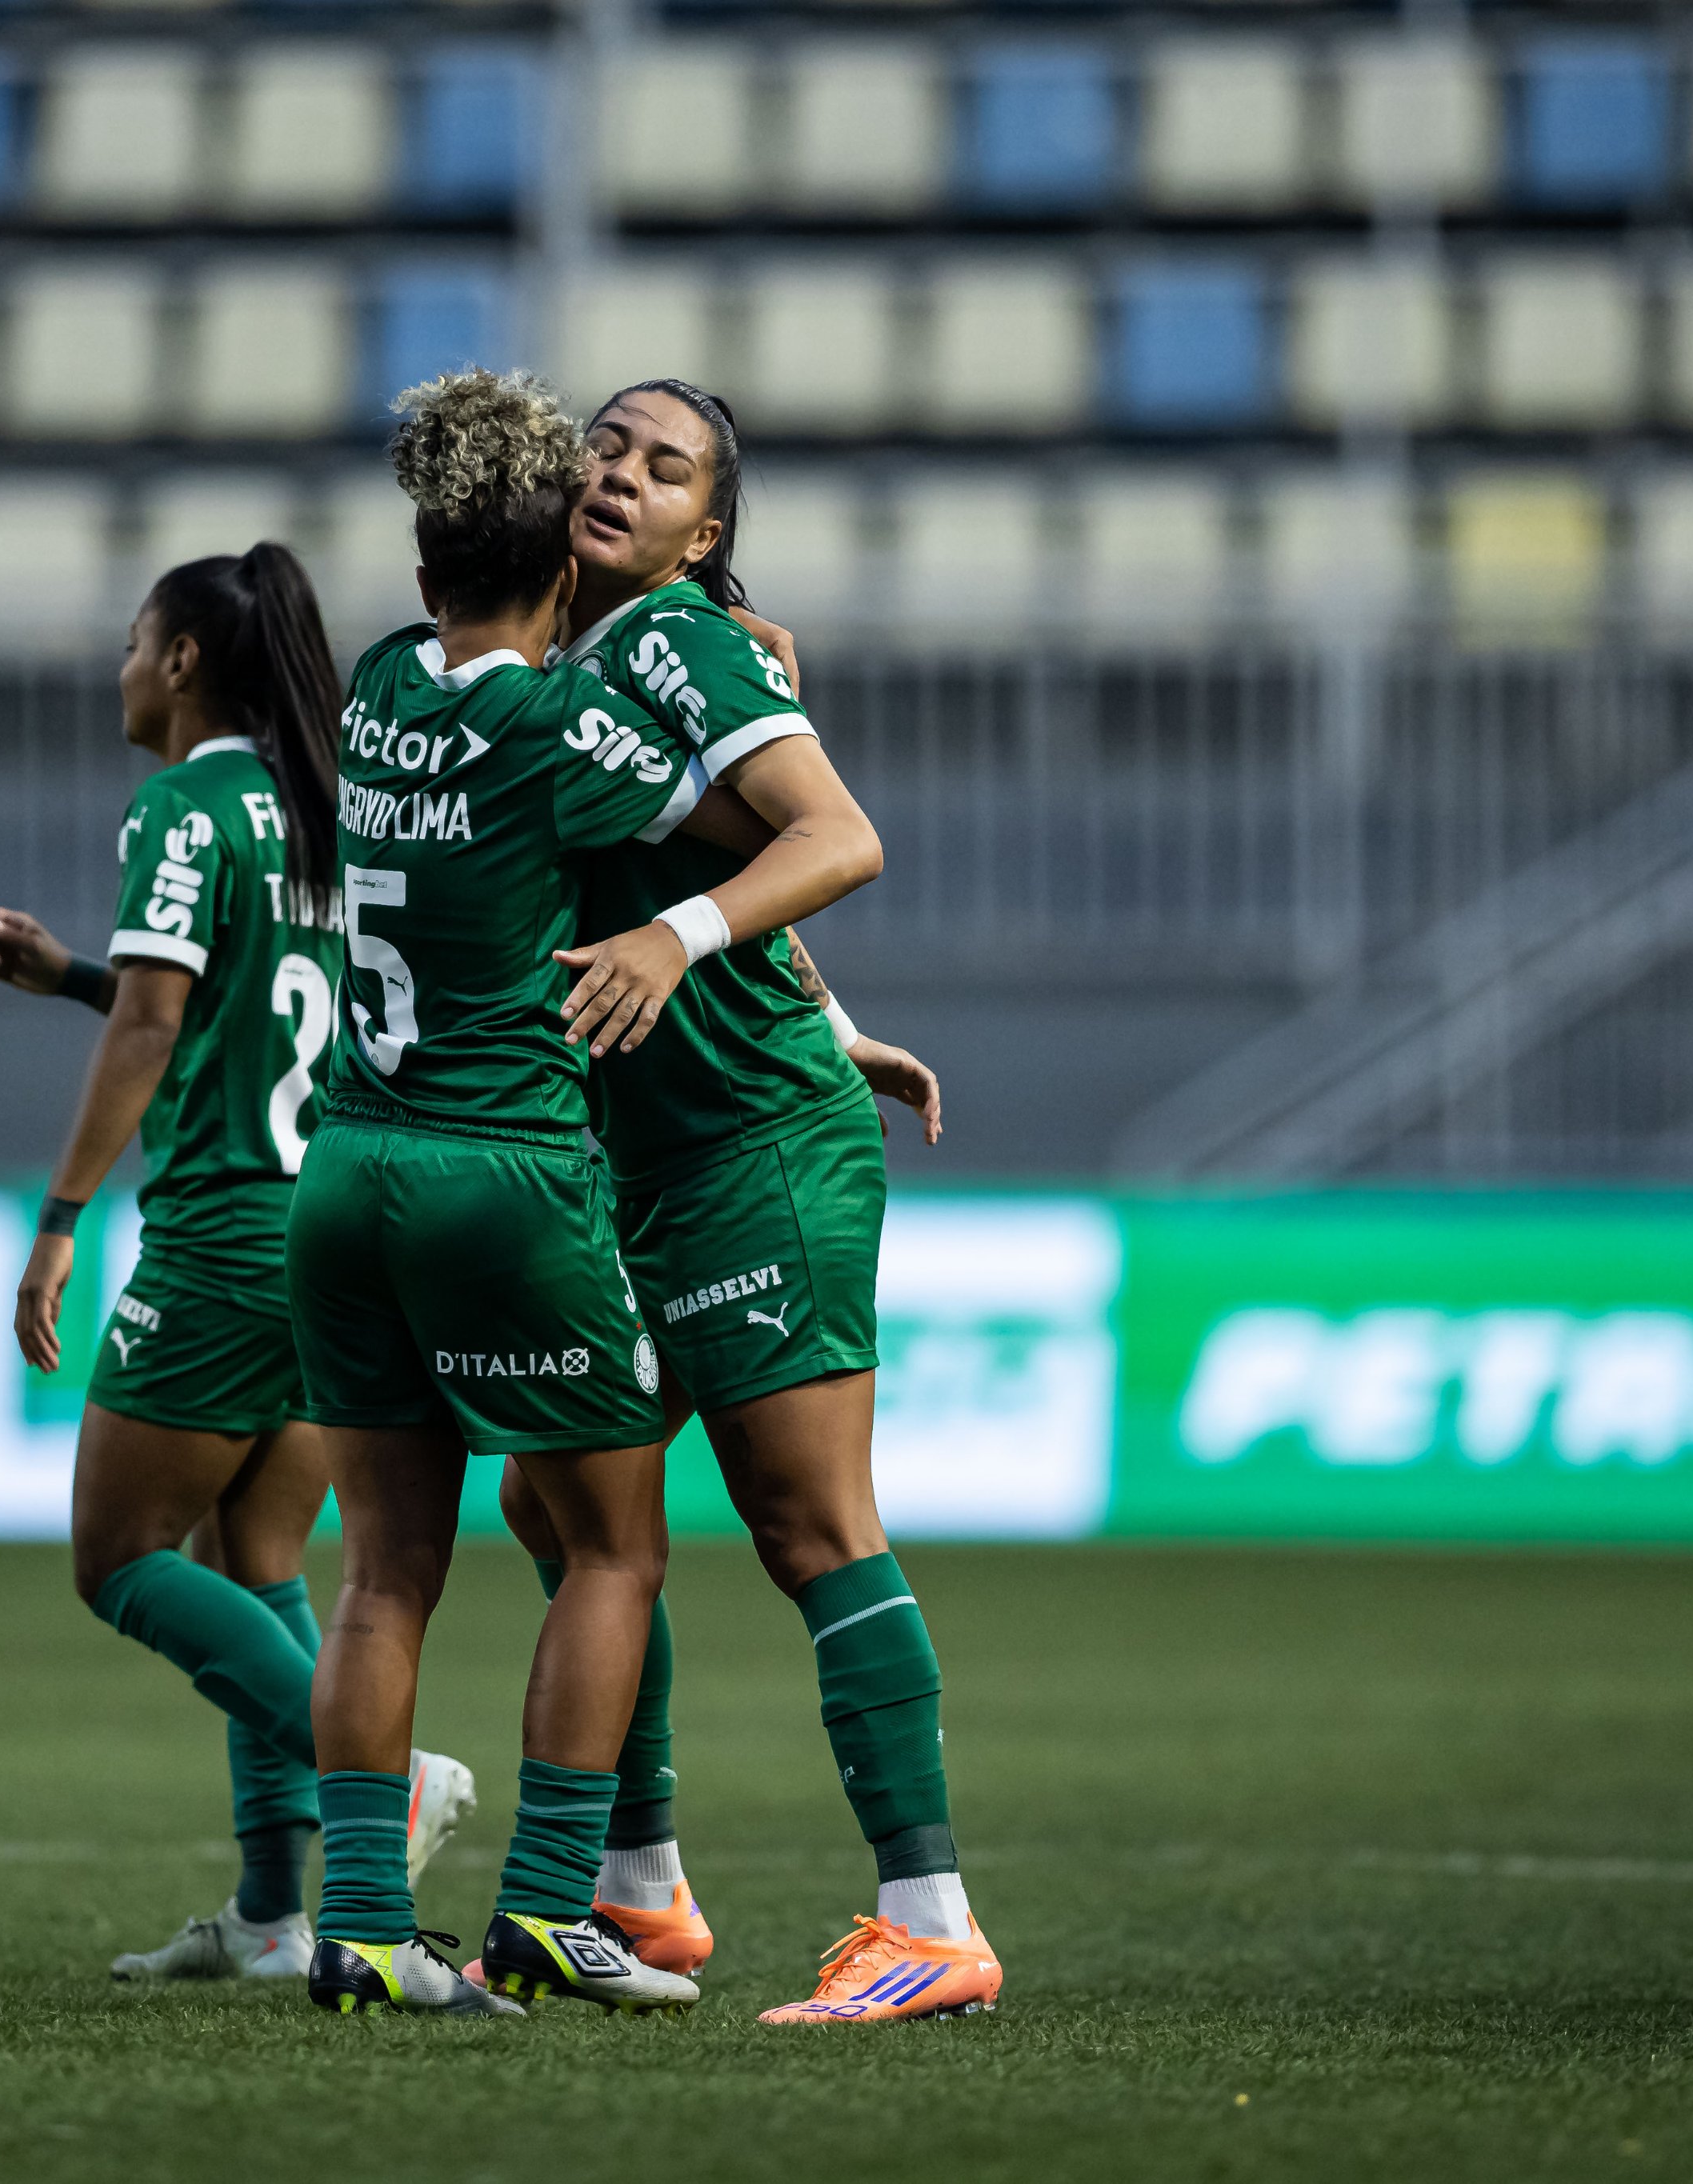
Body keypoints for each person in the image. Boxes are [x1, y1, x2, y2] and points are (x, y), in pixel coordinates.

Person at [290, 368, 883, 2018]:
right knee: (609, 1545)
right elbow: (727, 830)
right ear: (562, 567)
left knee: (384, 1569)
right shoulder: (563, 727)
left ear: (422, 580)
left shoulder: (384, 684)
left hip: (342, 1179)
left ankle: (354, 1926)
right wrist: (749, 673)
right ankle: (557, 1902)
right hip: (505, 1178)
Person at [494, 378, 1000, 2025]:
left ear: (700, 533)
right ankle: (636, 1889)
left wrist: (679, 948)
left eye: (663, 468)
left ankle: (928, 1921)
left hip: (748, 1147)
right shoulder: (577, 663)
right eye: (604, 446)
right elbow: (713, 848)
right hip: (659, 1149)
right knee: (563, 1509)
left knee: (807, 1525)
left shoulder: (671, 642)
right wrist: (829, 1014)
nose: (618, 476)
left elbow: (836, 834)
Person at [0, 544, 474, 1989]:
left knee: (118, 1556)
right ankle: (271, 1914)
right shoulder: (330, 811)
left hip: (226, 1234)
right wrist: (77, 970)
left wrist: (61, 1214)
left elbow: (153, 1029)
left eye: (137, 640)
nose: (124, 665)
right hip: (340, 1232)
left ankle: (380, 1774)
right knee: (253, 1561)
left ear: (185, 660)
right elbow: (230, 999)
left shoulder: (187, 804)